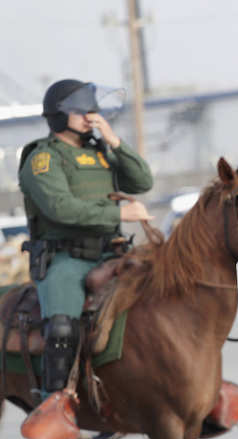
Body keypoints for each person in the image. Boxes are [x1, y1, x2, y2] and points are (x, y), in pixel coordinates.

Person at [18, 78, 154, 399]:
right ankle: (55, 404)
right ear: (59, 115)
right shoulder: (43, 159)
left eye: (93, 110)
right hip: (66, 259)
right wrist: (118, 214)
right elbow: (60, 208)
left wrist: (114, 141)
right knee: (63, 327)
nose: (90, 116)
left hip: (113, 253)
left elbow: (142, 181)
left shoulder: (100, 152)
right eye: (82, 111)